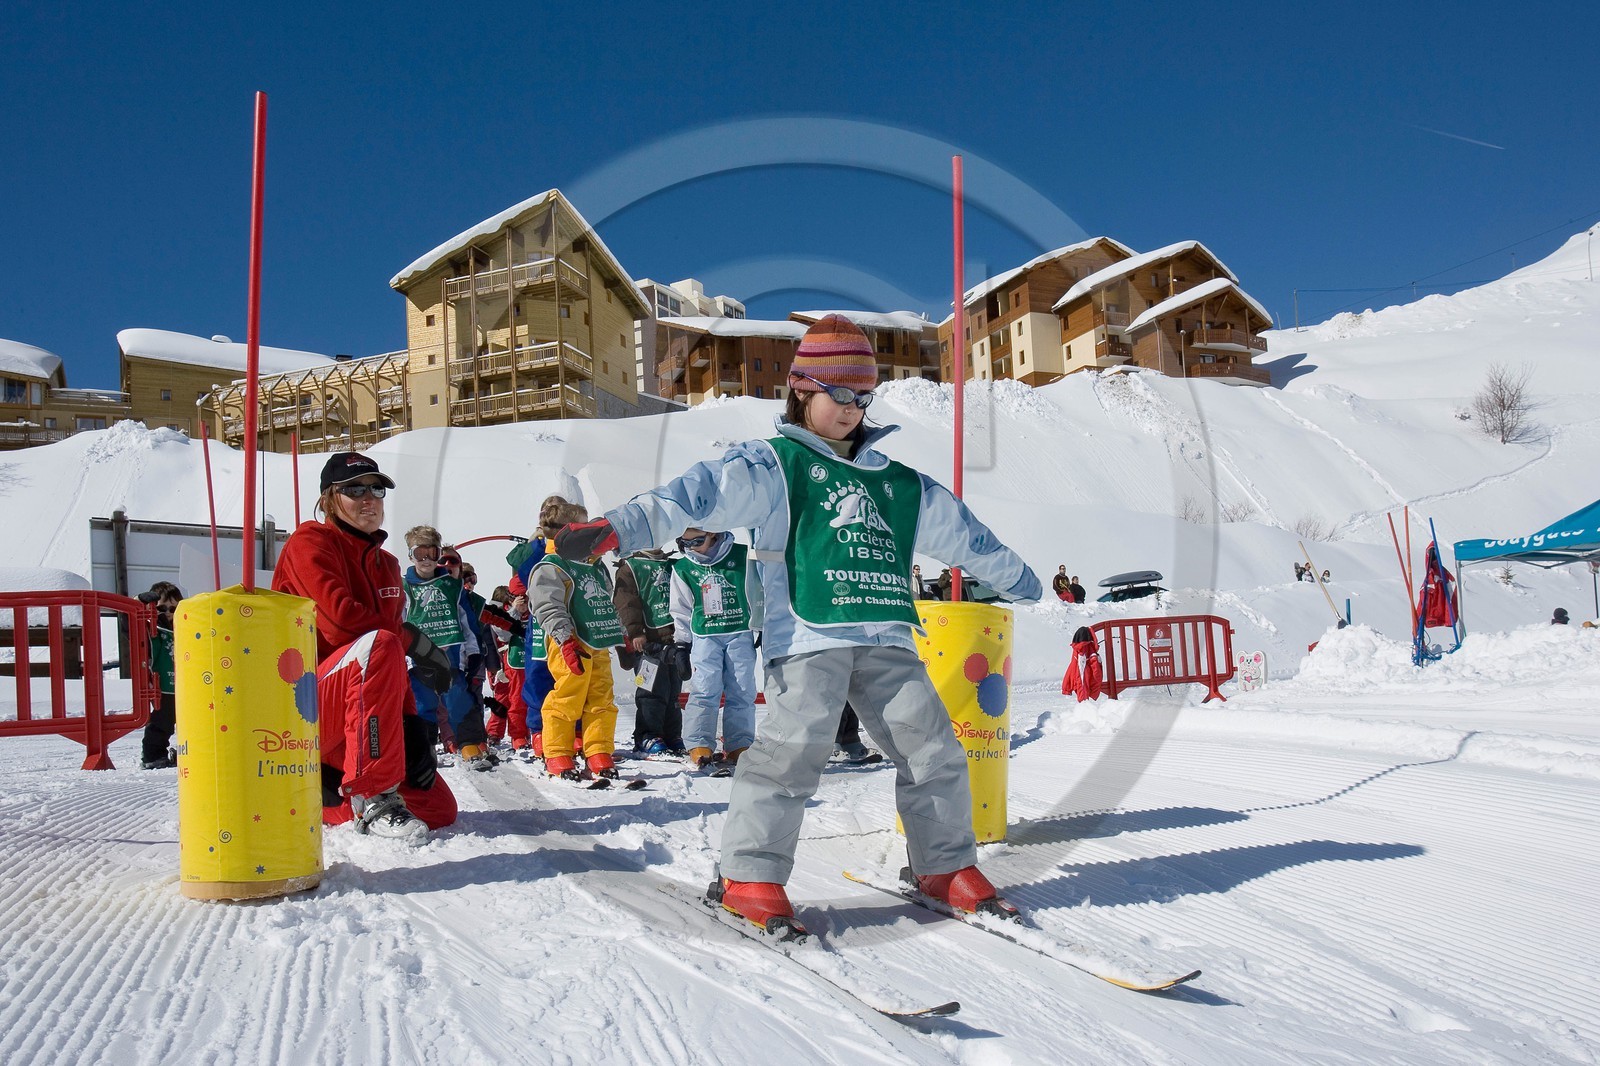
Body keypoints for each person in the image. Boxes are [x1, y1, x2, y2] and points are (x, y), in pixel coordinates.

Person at [555, 314, 1042, 931]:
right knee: (792, 754)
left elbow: (969, 538)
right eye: (839, 395)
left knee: (934, 751)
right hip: (809, 636)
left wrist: (1020, 580)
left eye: (863, 397)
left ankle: (943, 864)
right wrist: (617, 527)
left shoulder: (900, 484)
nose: (852, 409)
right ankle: (750, 875)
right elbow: (696, 496)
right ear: (803, 390)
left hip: (887, 634)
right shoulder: (773, 464)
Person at [271, 452, 457, 843]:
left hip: (359, 708)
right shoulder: (310, 541)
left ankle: (327, 799)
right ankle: (374, 794)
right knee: (380, 641)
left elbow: (383, 654)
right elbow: (340, 624)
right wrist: (414, 641)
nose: (368, 498)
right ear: (328, 499)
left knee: (439, 808)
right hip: (303, 703)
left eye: (376, 489)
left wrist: (409, 725)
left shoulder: (387, 565)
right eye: (354, 489)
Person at [529, 502, 625, 782]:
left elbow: (604, 602)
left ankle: (598, 749)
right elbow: (548, 606)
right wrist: (564, 638)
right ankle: (557, 750)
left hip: (597, 640)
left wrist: (620, 632)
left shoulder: (593, 566)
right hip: (569, 641)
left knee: (602, 695)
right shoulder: (552, 566)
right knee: (568, 694)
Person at [671, 528, 761, 772]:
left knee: (742, 688)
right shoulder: (683, 568)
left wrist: (763, 622)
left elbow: (760, 589)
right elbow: (680, 609)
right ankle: (699, 743)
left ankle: (739, 743)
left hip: (739, 631)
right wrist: (681, 643)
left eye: (697, 541)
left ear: (714, 533)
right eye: (684, 542)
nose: (691, 547)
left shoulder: (742, 556)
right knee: (705, 688)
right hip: (705, 635)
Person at [402, 527, 490, 771]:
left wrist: (473, 653)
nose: (426, 560)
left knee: (458, 699)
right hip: (419, 658)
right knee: (421, 706)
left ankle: (471, 745)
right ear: (411, 555)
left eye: (432, 553)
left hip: (451, 656)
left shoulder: (452, 585)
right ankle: (423, 754)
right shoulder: (405, 587)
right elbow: (399, 622)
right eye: (420, 554)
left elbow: (467, 622)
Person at [613, 547, 687, 756]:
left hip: (672, 639)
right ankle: (646, 735)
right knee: (650, 691)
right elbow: (625, 603)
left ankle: (672, 735)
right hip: (647, 643)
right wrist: (635, 631)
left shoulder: (672, 564)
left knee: (673, 691)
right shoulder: (631, 567)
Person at [138, 581, 182, 769]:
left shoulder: (186, 628)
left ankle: (188, 752)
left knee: (191, 723)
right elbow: (128, 626)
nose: (168, 613)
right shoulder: (151, 629)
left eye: (173, 608)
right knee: (161, 724)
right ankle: (153, 755)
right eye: (162, 608)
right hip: (162, 685)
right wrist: (139, 603)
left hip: (185, 687)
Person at [1061, 625, 1103, 703]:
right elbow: (1084, 676)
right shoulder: (1086, 651)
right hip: (1085, 689)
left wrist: (1066, 687)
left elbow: (1072, 667)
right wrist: (1095, 689)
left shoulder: (1077, 650)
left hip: (1080, 687)